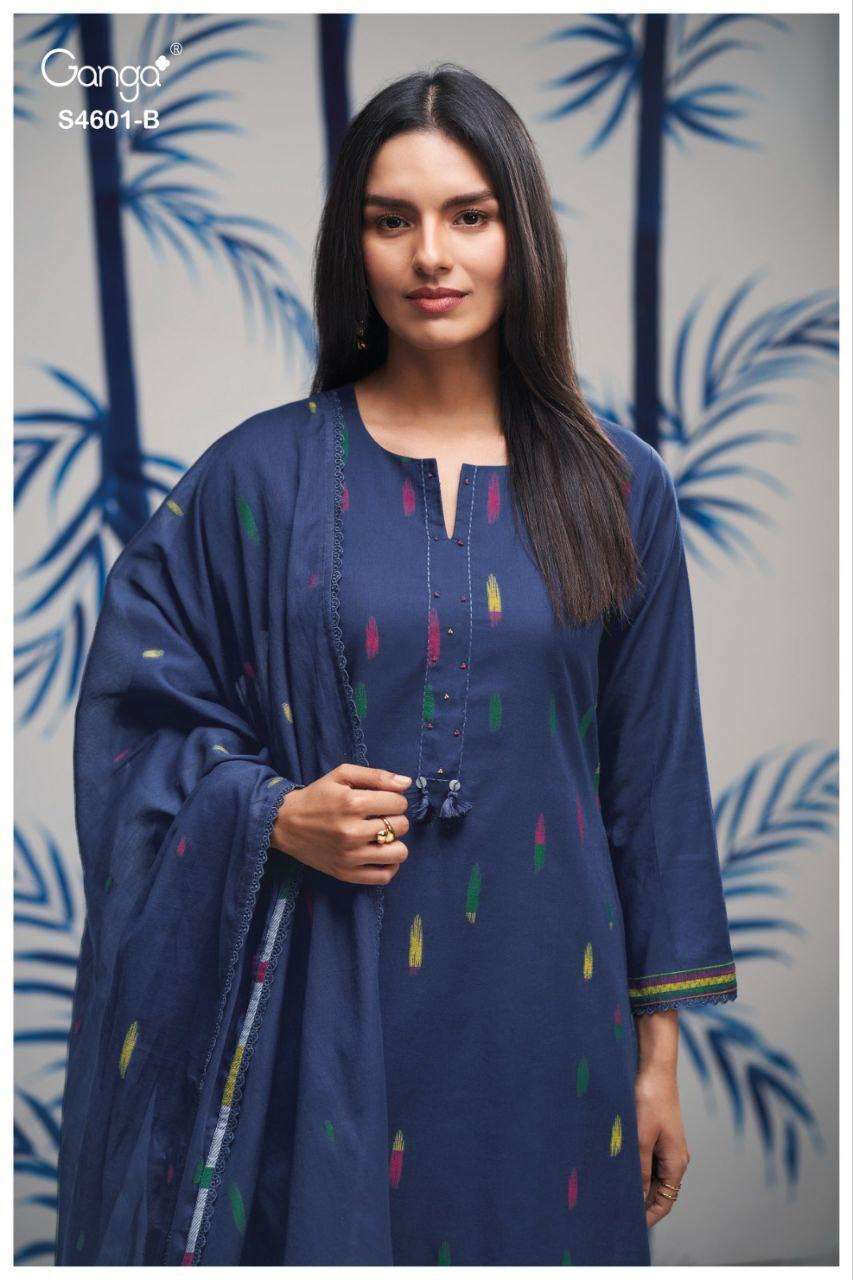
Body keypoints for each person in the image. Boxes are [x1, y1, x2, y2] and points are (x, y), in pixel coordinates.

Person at [55, 65, 736, 1267]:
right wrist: (271, 813)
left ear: (520, 236)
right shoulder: (260, 476)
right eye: (391, 219)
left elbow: (654, 782)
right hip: (324, 1006)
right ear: (352, 246)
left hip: (550, 1011)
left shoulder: (618, 486)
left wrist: (656, 1063)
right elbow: (133, 714)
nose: (432, 254)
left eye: (469, 215)